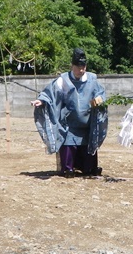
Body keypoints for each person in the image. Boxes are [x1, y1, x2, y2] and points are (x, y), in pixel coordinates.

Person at [31, 48, 108, 176]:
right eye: (78, 67)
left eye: (83, 67)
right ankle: (68, 168)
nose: (81, 70)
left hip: (87, 122)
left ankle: (89, 168)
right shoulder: (63, 80)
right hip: (69, 123)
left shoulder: (92, 79)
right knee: (68, 144)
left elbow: (100, 94)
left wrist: (99, 101)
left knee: (87, 146)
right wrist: (42, 100)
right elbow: (50, 93)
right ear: (72, 66)